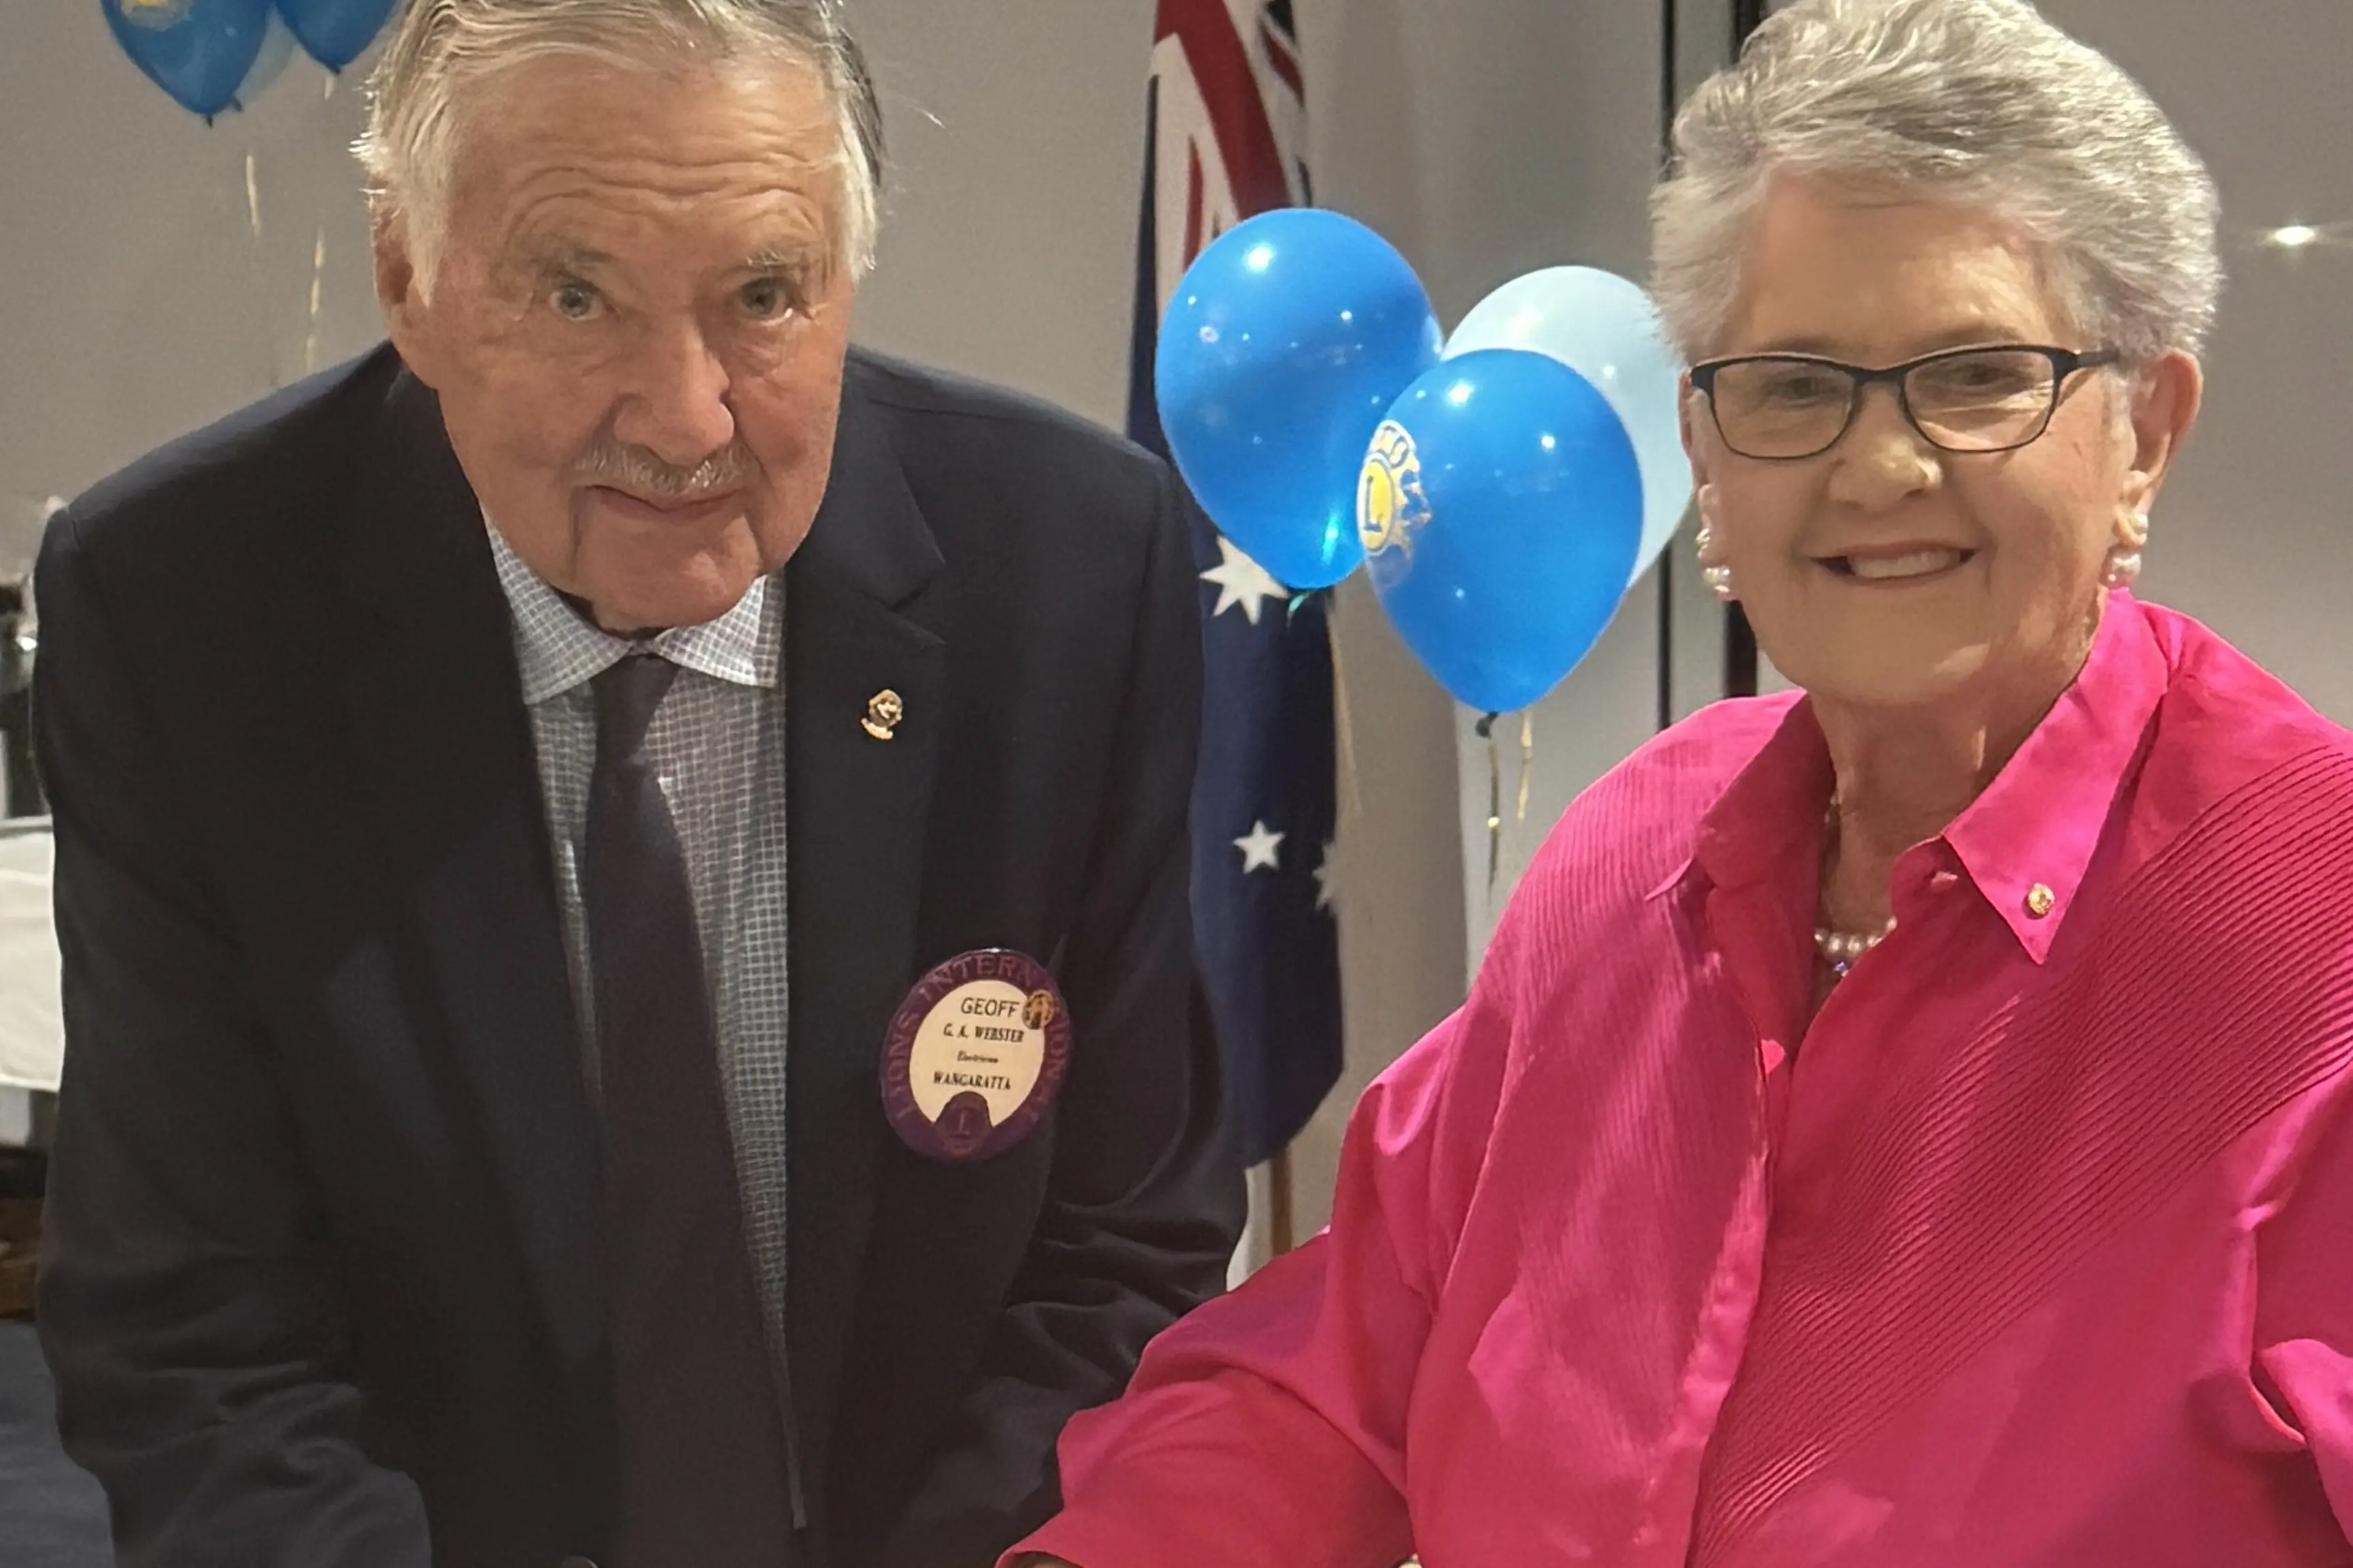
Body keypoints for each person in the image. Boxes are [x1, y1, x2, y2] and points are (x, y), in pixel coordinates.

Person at [1009, 2, 2353, 1565]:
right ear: (1703, 451)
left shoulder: (2313, 940)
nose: (1877, 465)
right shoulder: (1632, 847)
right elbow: (1331, 1369)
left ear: (2144, 435)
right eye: (1790, 384)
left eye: (1978, 375)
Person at [33, 3, 1244, 1565]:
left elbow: (1121, 1251)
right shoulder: (186, 610)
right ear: (408, 279)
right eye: (574, 294)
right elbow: (198, 1338)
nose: (684, 418)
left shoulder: (1070, 568)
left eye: (762, 296)